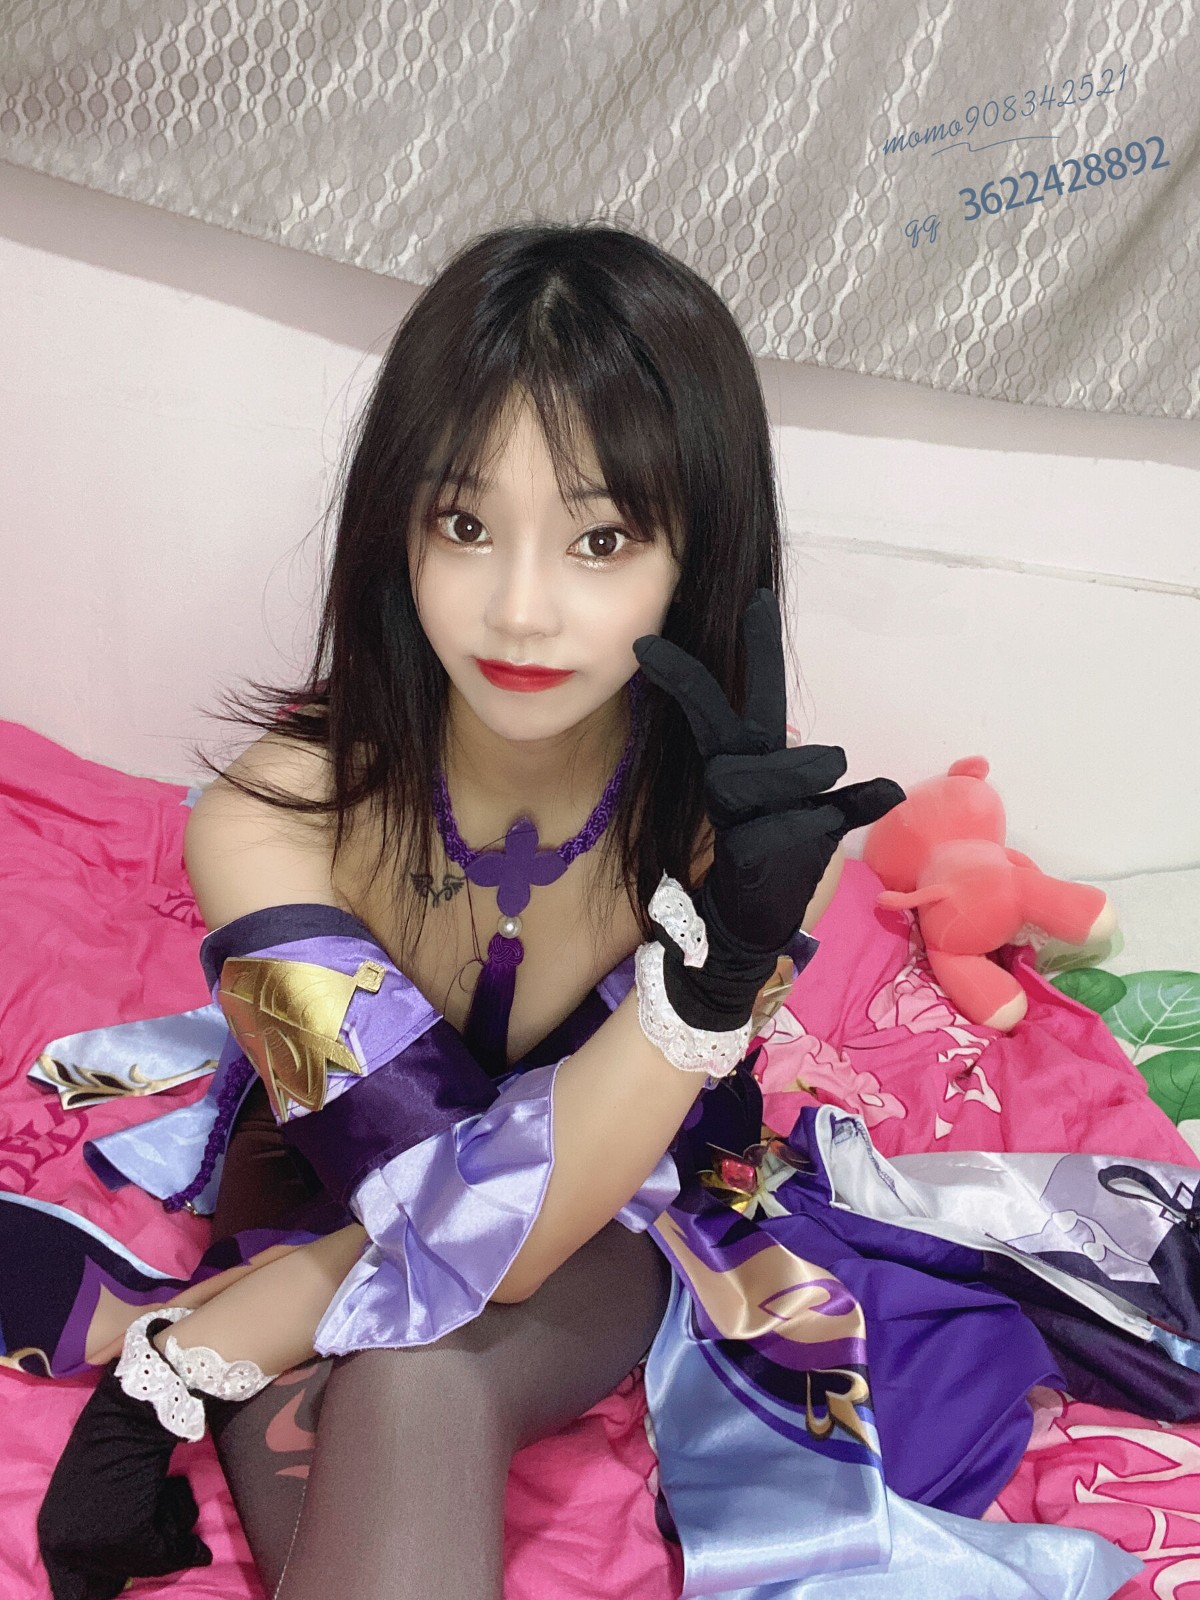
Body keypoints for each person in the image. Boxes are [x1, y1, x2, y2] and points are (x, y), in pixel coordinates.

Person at [24, 223, 1164, 1600]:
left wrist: (196, 1351)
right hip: (336, 1190)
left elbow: (514, 1249)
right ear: (397, 527)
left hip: (616, 1210)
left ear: (696, 556)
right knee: (390, 1375)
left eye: (602, 539)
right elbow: (415, 1191)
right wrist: (197, 1350)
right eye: (464, 525)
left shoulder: (735, 836)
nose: (520, 609)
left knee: (411, 1369)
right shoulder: (270, 820)